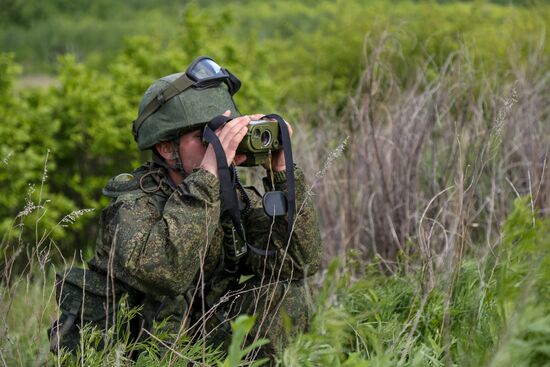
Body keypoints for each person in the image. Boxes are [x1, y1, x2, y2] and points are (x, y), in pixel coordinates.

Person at [50, 56, 322, 361]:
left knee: (287, 293)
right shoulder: (133, 206)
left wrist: (282, 174)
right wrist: (207, 176)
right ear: (166, 148)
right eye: (205, 135)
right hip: (137, 352)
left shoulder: (230, 197)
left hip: (202, 339)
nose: (218, 143)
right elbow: (169, 274)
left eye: (222, 132)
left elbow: (299, 263)